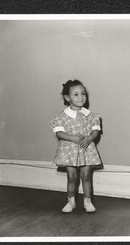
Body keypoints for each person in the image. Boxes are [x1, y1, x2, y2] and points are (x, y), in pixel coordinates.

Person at [50, 79, 102, 213]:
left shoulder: (91, 115)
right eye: (76, 94)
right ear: (67, 97)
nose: (81, 97)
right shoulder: (61, 116)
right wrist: (71, 138)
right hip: (69, 150)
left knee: (86, 176)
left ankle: (87, 200)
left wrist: (90, 138)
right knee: (71, 177)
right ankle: (71, 201)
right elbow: (59, 132)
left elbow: (95, 130)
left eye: (83, 93)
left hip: (86, 149)